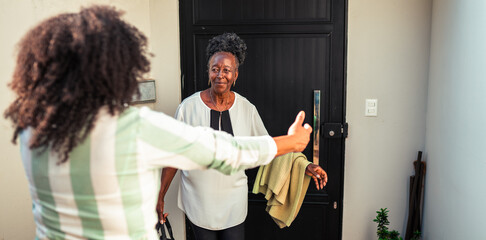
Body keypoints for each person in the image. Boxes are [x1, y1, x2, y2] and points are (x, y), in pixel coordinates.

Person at [3, 6, 313, 240]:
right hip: (197, 207)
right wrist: (294, 142)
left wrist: (296, 158)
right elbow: (222, 150)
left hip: (233, 208)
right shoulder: (133, 127)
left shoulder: (33, 129)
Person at [156, 33, 328, 240]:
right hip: (198, 201)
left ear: (235, 75)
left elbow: (267, 148)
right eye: (215, 69)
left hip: (233, 203)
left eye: (226, 70)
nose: (220, 75)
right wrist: (160, 196)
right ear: (208, 72)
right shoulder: (188, 108)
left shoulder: (247, 109)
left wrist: (304, 166)